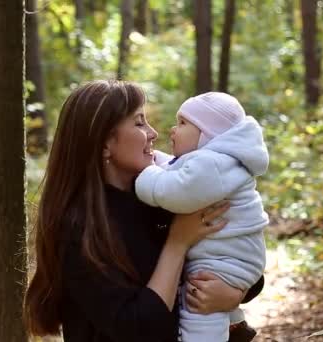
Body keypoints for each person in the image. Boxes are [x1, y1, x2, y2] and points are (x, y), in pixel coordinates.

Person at [23, 80, 263, 342]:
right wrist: (178, 242)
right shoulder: (80, 228)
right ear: (104, 143)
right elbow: (140, 329)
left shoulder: (163, 197)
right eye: (139, 123)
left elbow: (232, 254)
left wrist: (231, 295)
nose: (153, 133)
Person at [135, 92, 268, 341]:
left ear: (208, 134)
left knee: (198, 308)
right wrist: (154, 165)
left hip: (223, 262)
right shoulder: (216, 162)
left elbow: (174, 191)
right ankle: (234, 325)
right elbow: (174, 169)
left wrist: (145, 177)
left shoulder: (212, 164)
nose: (172, 130)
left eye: (183, 123)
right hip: (234, 256)